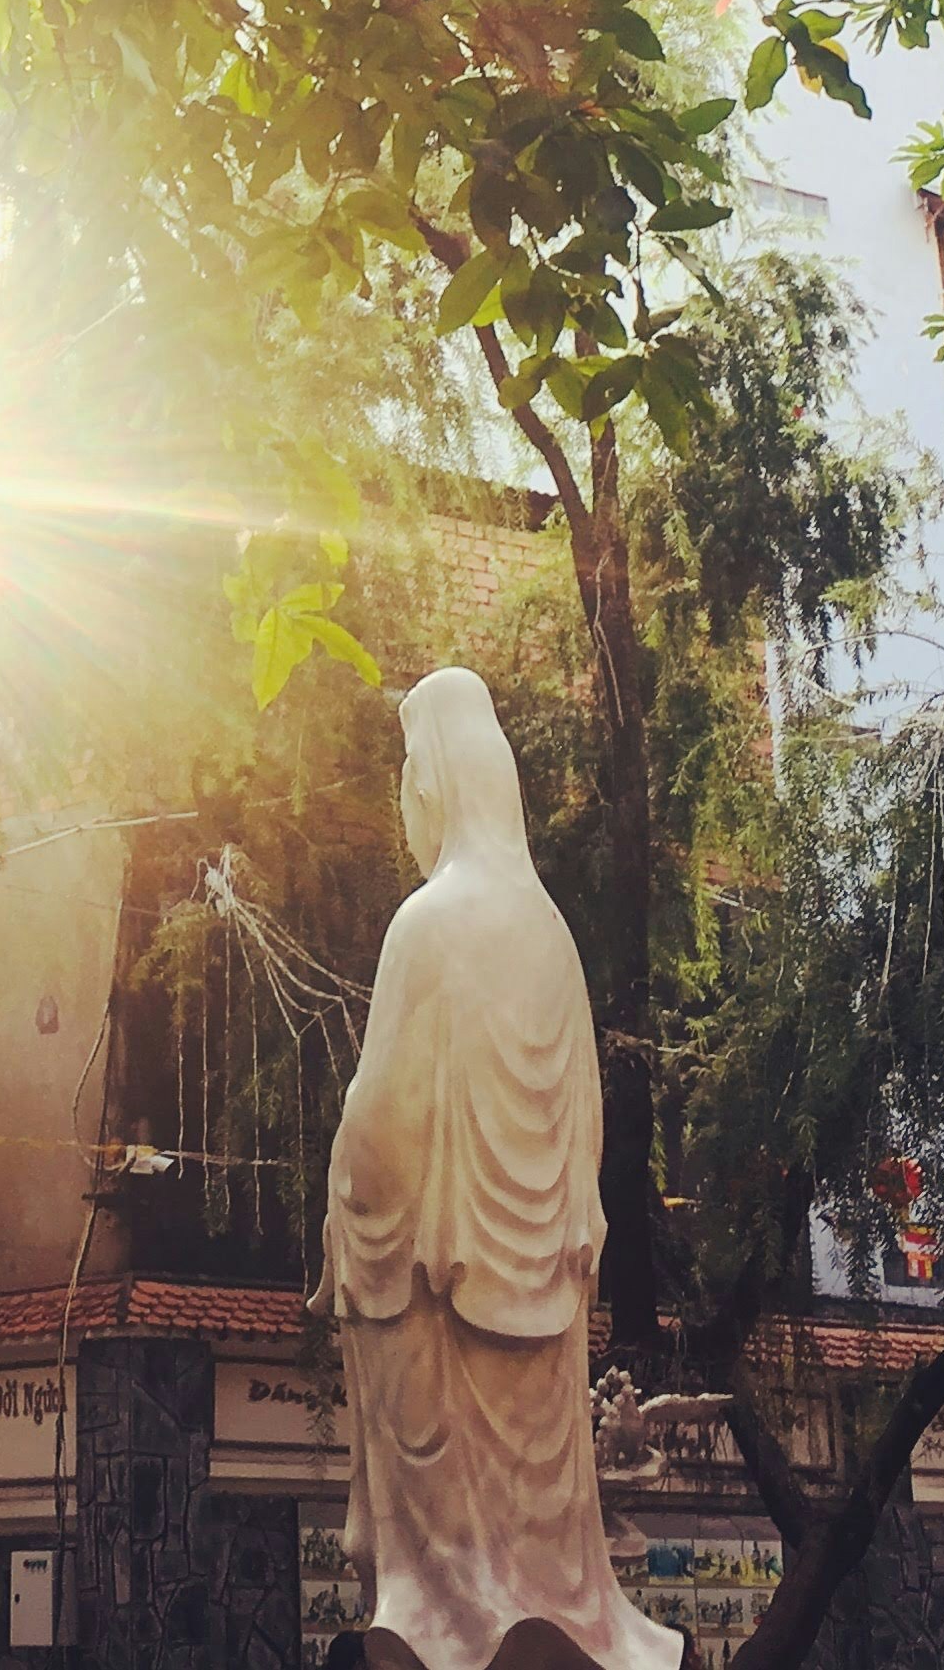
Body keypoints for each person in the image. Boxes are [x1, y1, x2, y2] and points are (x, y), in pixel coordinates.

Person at [319, 667, 682, 1670]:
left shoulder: (427, 924)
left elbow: (379, 1124)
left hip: (436, 1300)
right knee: (538, 1545)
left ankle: (450, 1623)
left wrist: (342, 1182)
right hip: (542, 1303)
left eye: (406, 776)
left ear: (431, 782)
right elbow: (591, 1132)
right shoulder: (551, 935)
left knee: (447, 1591)